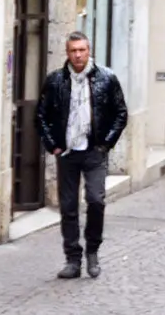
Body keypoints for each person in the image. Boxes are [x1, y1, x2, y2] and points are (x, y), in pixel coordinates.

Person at [37, 31, 128, 281]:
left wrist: (106, 144)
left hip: (94, 151)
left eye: (82, 50)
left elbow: (121, 113)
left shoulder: (107, 79)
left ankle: (93, 252)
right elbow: (41, 115)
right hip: (66, 153)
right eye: (73, 51)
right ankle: (72, 259)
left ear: (89, 51)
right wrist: (53, 145)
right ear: (67, 53)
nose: (78, 55)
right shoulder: (55, 81)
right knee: (68, 207)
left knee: (96, 200)